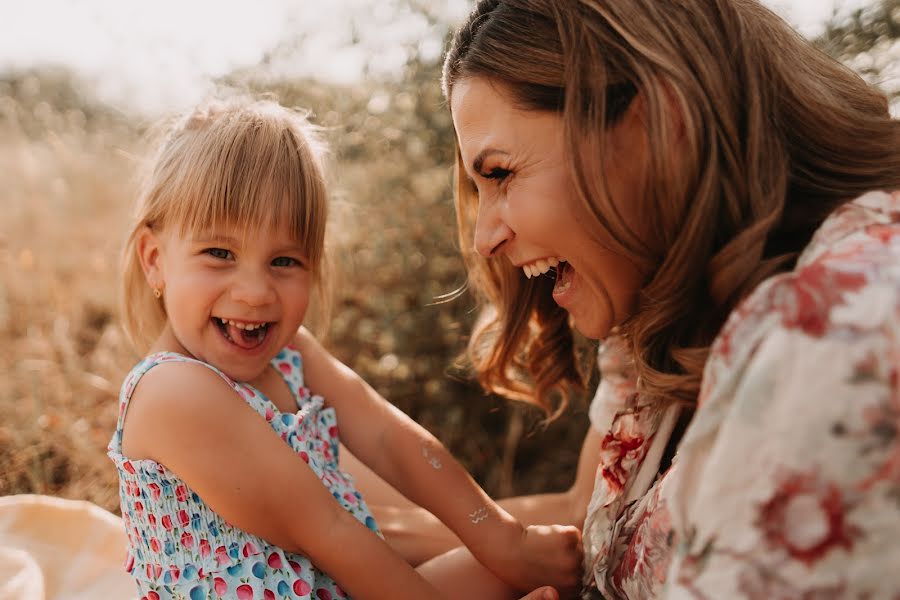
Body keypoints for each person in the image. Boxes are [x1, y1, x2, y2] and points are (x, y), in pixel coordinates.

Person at [340, 0, 900, 597]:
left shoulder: (845, 333)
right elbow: (583, 518)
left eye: (500, 173)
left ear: (659, 123)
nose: (484, 240)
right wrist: (320, 514)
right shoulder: (656, 332)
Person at [108, 97, 582, 600]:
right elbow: (328, 530)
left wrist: (506, 540)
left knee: (524, 571)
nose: (255, 292)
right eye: (219, 253)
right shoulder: (172, 391)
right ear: (155, 260)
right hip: (348, 572)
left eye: (284, 260)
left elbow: (389, 440)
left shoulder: (291, 354)